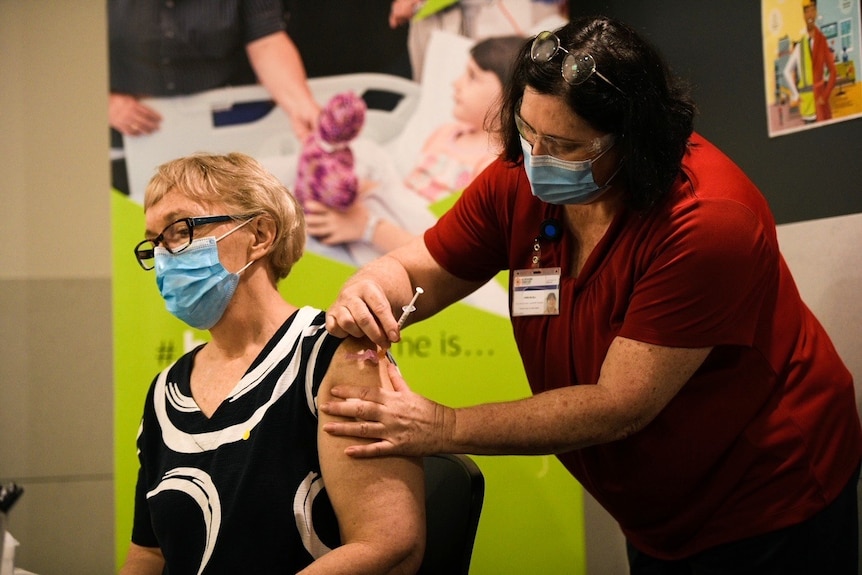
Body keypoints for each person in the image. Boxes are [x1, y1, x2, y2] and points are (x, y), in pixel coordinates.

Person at [320, 17, 862, 573]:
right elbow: (428, 264)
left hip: (767, 492)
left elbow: (619, 404)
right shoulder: (519, 178)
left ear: (633, 138)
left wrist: (444, 426)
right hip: (655, 506)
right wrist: (371, 285)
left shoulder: (707, 222)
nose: (536, 156)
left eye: (564, 145)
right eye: (527, 132)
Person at [120, 153, 424, 574]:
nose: (165, 257)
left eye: (178, 230)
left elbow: (388, 544)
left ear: (260, 234)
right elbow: (149, 553)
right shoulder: (166, 391)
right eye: (155, 242)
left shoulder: (335, 355)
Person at [302, 35, 525, 261]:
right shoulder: (446, 133)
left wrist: (368, 226)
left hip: (414, 240)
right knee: (366, 155)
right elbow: (405, 194)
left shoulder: (494, 167)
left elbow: (450, 246)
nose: (456, 83)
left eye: (472, 77)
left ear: (510, 97)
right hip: (391, 217)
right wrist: (371, 191)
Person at [109, 0, 320, 193]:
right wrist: (102, 102)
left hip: (222, 126)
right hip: (122, 137)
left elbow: (266, 39)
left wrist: (300, 105)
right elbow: (76, 48)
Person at [782, 0, 837, 123]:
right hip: (807, 104)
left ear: (816, 12)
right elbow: (787, 71)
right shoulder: (800, 44)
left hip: (820, 102)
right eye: (806, 11)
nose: (810, 15)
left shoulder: (822, 40)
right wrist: (796, 94)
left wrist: (825, 95)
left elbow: (833, 72)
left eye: (813, 10)